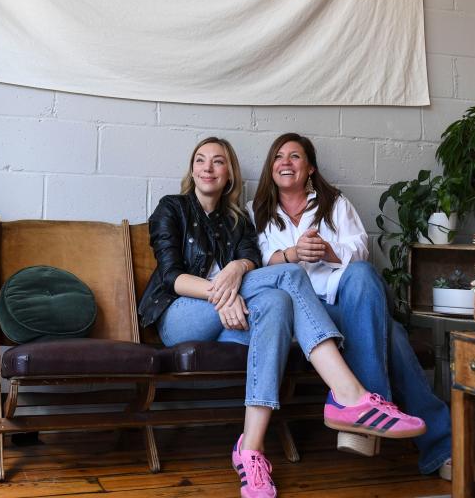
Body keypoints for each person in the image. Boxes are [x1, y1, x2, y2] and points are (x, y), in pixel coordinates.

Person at [138, 136, 426, 498]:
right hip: (182, 315)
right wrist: (221, 291)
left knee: (276, 301)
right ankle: (348, 394)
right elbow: (171, 277)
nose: (207, 168)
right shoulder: (172, 208)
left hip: (233, 315)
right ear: (191, 169)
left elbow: (251, 260)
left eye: (217, 162)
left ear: (230, 175)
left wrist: (239, 270)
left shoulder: (240, 219)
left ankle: (250, 451)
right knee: (291, 275)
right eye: (200, 160)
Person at [249, 132, 452, 479]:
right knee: (394, 337)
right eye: (278, 157)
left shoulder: (334, 203)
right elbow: (256, 271)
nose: (285, 162)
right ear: (270, 168)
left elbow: (360, 248)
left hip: (348, 303)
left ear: (310, 168)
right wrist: (290, 255)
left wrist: (331, 253)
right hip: (299, 314)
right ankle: (431, 442)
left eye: (295, 156)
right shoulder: (258, 215)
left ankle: (365, 418)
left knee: (359, 272)